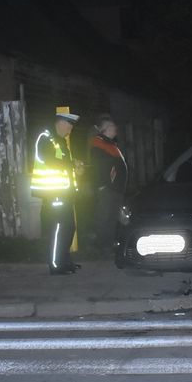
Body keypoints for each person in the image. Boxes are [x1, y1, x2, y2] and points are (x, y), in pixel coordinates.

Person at [30, 106, 81, 274]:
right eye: (69, 126)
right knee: (59, 230)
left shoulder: (60, 141)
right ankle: (56, 265)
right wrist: (71, 164)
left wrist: (75, 168)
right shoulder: (46, 138)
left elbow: (63, 165)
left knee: (69, 228)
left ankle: (64, 261)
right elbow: (50, 161)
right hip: (54, 194)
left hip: (64, 193)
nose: (70, 130)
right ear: (60, 123)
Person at [88, 113, 128, 256]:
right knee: (104, 217)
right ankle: (99, 245)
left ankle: (107, 245)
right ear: (105, 129)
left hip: (114, 188)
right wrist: (102, 185)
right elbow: (99, 167)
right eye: (112, 126)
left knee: (111, 217)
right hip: (108, 189)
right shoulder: (99, 144)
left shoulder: (110, 144)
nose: (115, 128)